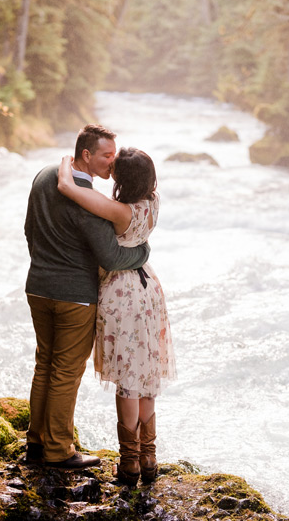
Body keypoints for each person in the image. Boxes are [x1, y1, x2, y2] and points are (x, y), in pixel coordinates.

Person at [24, 124, 151, 470]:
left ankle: (35, 443)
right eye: (107, 155)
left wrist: (45, 262)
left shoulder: (45, 175)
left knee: (45, 364)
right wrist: (141, 254)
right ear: (86, 155)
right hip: (75, 296)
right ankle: (58, 450)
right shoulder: (89, 201)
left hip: (37, 285)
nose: (114, 161)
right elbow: (110, 257)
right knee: (65, 371)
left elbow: (29, 229)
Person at [55, 147, 174, 486]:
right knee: (147, 374)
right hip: (149, 288)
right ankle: (149, 458)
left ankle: (130, 463)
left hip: (122, 292)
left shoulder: (120, 211)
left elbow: (68, 188)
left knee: (128, 380)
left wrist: (68, 161)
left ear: (122, 179)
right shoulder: (153, 201)